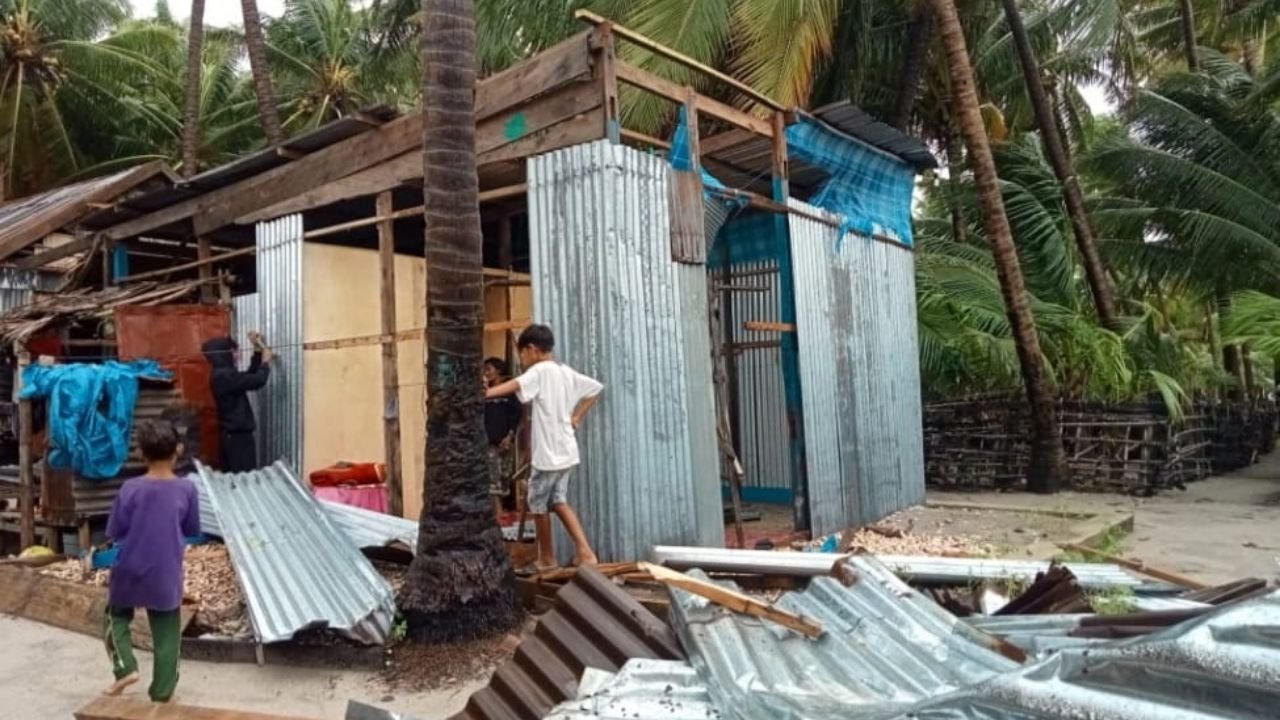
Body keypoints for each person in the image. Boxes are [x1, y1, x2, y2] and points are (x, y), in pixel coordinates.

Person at [485, 325, 603, 569]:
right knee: (558, 501)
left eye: (522, 355)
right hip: (567, 451)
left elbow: (515, 385)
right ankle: (585, 552)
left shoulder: (539, 371)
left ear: (531, 350)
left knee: (538, 505)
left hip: (548, 455)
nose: (523, 360)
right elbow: (595, 389)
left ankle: (547, 558)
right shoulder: (565, 372)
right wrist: (577, 417)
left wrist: (485, 393)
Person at [102, 419, 201, 702]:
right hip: (166, 570)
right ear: (178, 450)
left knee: (115, 616)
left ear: (141, 453)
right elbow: (191, 530)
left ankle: (125, 669)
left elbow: (116, 531)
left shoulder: (130, 489)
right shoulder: (187, 490)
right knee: (168, 631)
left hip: (130, 567)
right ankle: (162, 692)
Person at [201, 331, 272, 472]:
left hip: (234, 437)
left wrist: (257, 352)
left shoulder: (224, 374)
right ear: (223, 354)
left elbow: (248, 377)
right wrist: (265, 363)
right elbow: (258, 380)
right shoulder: (223, 376)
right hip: (236, 439)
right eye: (234, 352)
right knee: (244, 478)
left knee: (237, 478)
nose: (237, 355)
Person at [483, 357, 523, 519]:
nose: (486, 373)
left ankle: (502, 510)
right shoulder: (485, 391)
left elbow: (516, 414)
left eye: (489, 369)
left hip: (505, 439)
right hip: (488, 441)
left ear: (498, 370)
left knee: (504, 475)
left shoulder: (509, 390)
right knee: (492, 477)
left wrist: (511, 435)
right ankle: (498, 512)